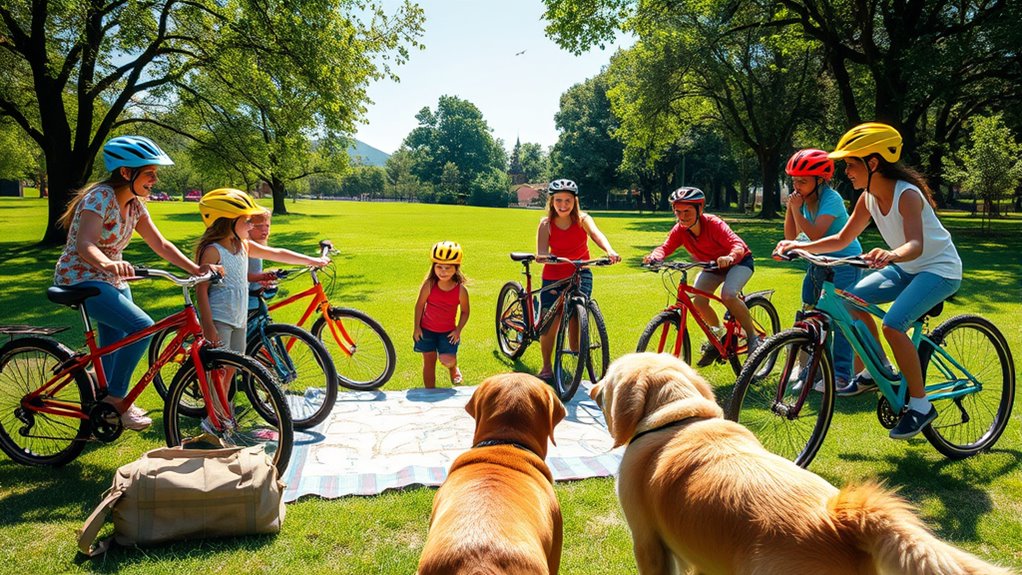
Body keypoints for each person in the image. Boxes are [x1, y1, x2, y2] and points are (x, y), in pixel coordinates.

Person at [775, 122, 962, 439]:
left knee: (893, 324)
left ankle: (920, 404)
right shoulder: (868, 198)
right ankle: (878, 370)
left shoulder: (907, 196)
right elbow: (841, 238)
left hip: (938, 270)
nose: (845, 171)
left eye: (851, 163)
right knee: (849, 300)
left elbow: (915, 244)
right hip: (906, 268)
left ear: (873, 163)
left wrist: (891, 254)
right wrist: (798, 245)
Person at [53, 135, 220, 430]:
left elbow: (162, 245)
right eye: (150, 173)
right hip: (81, 278)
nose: (155, 179)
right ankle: (117, 400)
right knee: (142, 327)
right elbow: (84, 244)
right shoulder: (100, 198)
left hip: (111, 279)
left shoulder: (135, 205)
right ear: (126, 172)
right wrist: (109, 263)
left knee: (115, 345)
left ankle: (97, 392)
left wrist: (197, 269)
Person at [195, 189, 328, 355]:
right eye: (247, 221)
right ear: (230, 221)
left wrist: (312, 260)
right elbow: (201, 290)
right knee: (218, 370)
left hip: (239, 318)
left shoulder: (243, 245)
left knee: (232, 368)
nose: (251, 226)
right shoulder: (213, 251)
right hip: (220, 319)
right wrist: (208, 326)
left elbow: (277, 253)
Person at [642, 186, 761, 366]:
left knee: (728, 294)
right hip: (711, 267)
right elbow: (665, 247)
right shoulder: (680, 230)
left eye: (687, 211)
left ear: (700, 209)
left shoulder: (714, 224)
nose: (682, 216)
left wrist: (730, 257)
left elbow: (737, 244)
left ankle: (753, 338)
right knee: (698, 301)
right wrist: (655, 257)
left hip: (738, 263)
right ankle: (718, 336)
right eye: (678, 211)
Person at [783, 149, 863, 391]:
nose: (796, 185)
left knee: (839, 320)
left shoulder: (832, 199)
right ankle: (811, 370)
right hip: (817, 262)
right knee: (810, 316)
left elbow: (816, 234)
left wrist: (796, 210)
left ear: (821, 180)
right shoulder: (803, 199)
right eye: (794, 180)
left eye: (803, 181)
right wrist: (792, 208)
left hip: (844, 263)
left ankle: (841, 374)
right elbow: (792, 236)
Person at [536, 179, 621, 381]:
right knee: (551, 321)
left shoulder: (583, 219)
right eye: (558, 200)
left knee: (578, 311)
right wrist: (543, 256)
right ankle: (547, 366)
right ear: (551, 201)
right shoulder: (546, 224)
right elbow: (541, 252)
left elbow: (596, 234)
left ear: (575, 201)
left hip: (580, 271)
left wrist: (609, 250)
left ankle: (576, 350)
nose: (563, 205)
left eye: (567, 200)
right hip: (554, 274)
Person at [413, 241, 470, 388]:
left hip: (448, 332)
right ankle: (430, 392)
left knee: (447, 359)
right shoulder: (429, 286)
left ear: (456, 269)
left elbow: (465, 312)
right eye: (439, 267)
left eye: (448, 268)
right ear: (434, 267)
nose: (443, 271)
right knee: (429, 362)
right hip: (426, 330)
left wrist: (458, 330)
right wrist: (417, 328)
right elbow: (419, 306)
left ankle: (453, 367)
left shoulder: (461, 291)